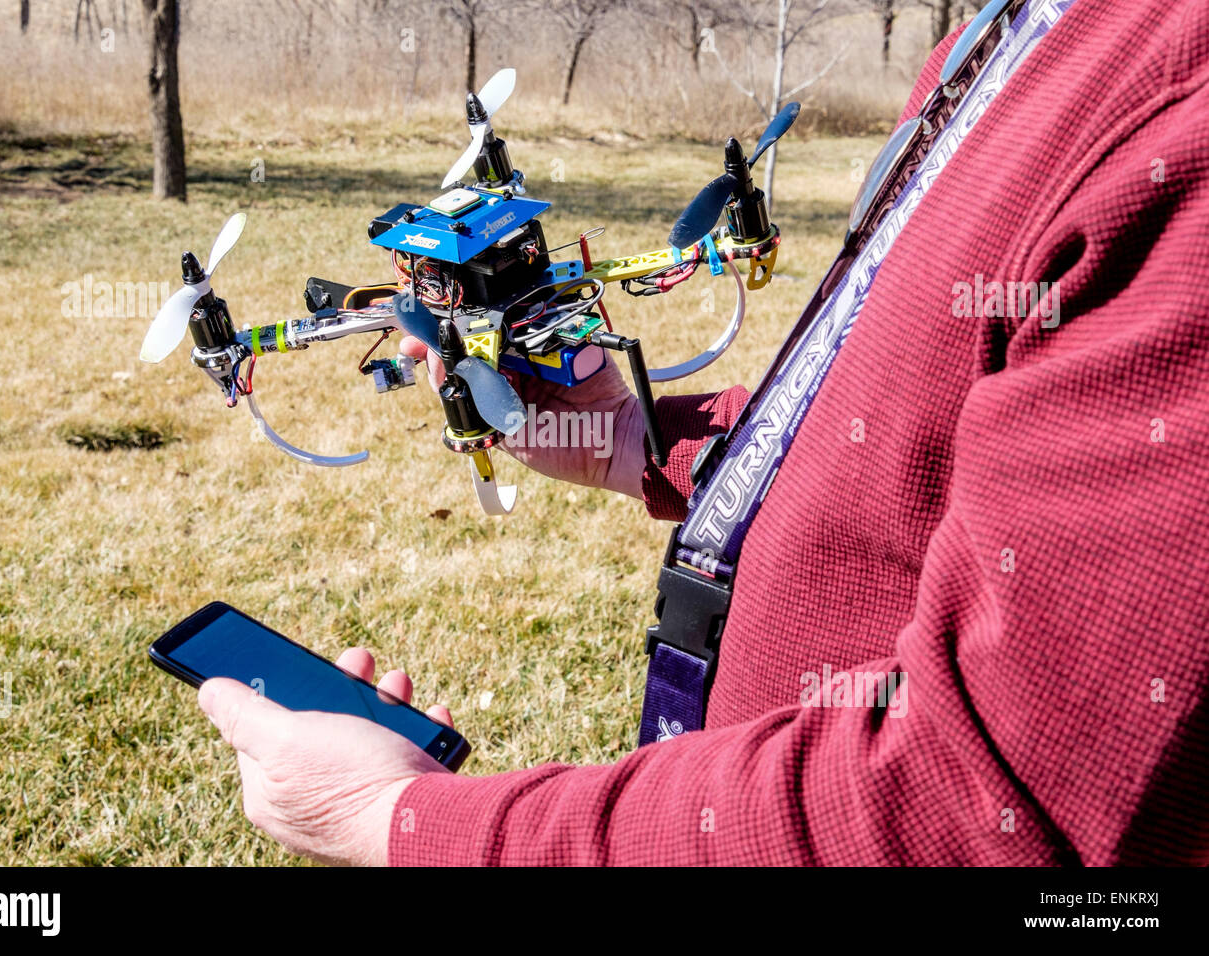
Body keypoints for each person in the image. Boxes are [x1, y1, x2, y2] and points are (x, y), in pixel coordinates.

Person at [198, 0, 1209, 865]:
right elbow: (920, 442)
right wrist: (640, 442)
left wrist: (407, 820)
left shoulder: (1176, 110)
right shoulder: (1015, 36)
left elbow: (981, 814)